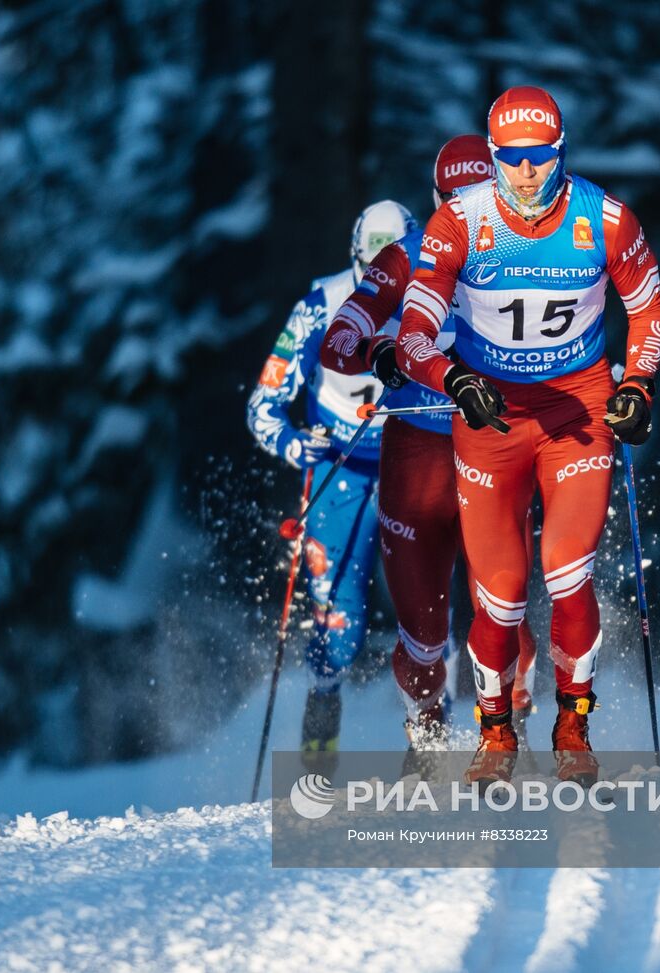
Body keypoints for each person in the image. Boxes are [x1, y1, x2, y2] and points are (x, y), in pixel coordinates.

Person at [394, 86, 660, 787]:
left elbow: (650, 306)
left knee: (569, 569)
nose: (525, 174)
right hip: (490, 420)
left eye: (539, 158)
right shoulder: (458, 223)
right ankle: (496, 730)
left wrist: (637, 384)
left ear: (561, 152)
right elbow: (414, 336)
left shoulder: (604, 219)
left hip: (577, 411)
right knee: (502, 594)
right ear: (491, 158)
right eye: (510, 159)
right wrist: (452, 379)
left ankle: (572, 719)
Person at [319, 135, 539, 755]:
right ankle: (426, 726)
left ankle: (510, 725)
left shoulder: (534, 253)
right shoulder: (406, 256)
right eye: (456, 198)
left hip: (496, 446)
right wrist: (379, 350)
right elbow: (337, 340)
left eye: (481, 196)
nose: (469, 209)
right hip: (416, 452)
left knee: (504, 609)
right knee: (422, 633)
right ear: (437, 198)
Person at [247, 200, 415, 764]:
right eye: (373, 269)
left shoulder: (437, 301)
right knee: (338, 634)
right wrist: (296, 444)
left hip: (408, 467)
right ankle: (319, 743)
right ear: (355, 259)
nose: (383, 284)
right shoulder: (320, 305)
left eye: (396, 267)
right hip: (337, 473)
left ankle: (435, 743)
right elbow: (263, 406)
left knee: (429, 614)